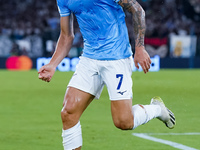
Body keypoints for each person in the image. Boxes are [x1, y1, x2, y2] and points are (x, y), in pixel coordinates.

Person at [38, 0, 176, 149]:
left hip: (116, 59)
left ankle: (157, 109)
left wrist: (140, 48)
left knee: (123, 122)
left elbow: (137, 10)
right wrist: (52, 64)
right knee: (68, 112)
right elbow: (66, 36)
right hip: (89, 59)